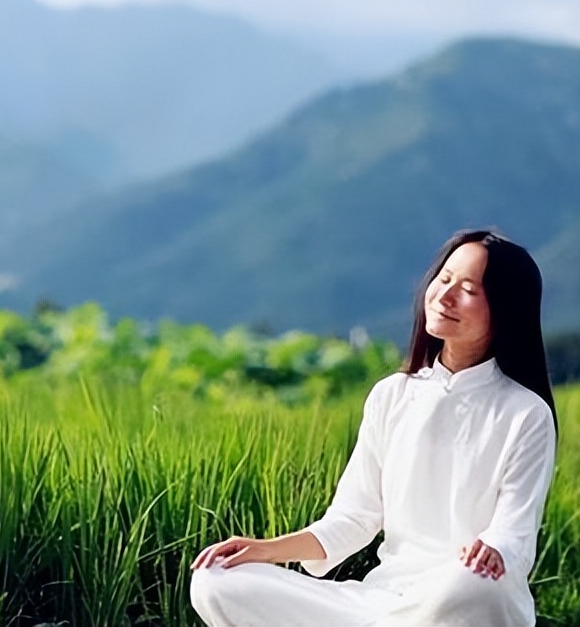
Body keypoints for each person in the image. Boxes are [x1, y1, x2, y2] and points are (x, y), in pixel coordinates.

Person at [190, 229, 558, 626]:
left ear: (505, 309)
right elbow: (351, 519)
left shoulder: (525, 412)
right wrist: (263, 550)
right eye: (445, 279)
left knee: (474, 586)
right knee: (215, 579)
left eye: (467, 288)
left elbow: (514, 531)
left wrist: (492, 549)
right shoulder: (392, 395)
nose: (445, 295)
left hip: (462, 599)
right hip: (381, 602)